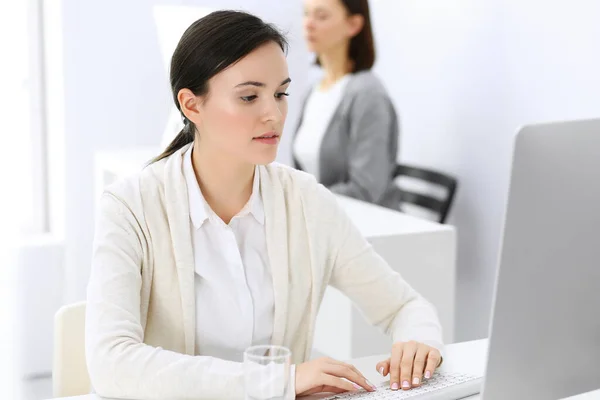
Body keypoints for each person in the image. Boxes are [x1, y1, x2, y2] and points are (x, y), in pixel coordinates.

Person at [85, 10, 443, 400]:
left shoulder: (307, 203)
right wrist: (277, 383)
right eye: (249, 96)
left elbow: (405, 306)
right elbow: (110, 362)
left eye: (281, 93)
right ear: (191, 105)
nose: (273, 113)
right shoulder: (130, 207)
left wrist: (418, 343)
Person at [294, 0, 401, 209]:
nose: (308, 24)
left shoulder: (368, 95)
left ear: (353, 25)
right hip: (324, 220)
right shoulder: (313, 92)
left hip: (366, 227)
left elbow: (365, 189)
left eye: (321, 16)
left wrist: (303, 203)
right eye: (306, 14)